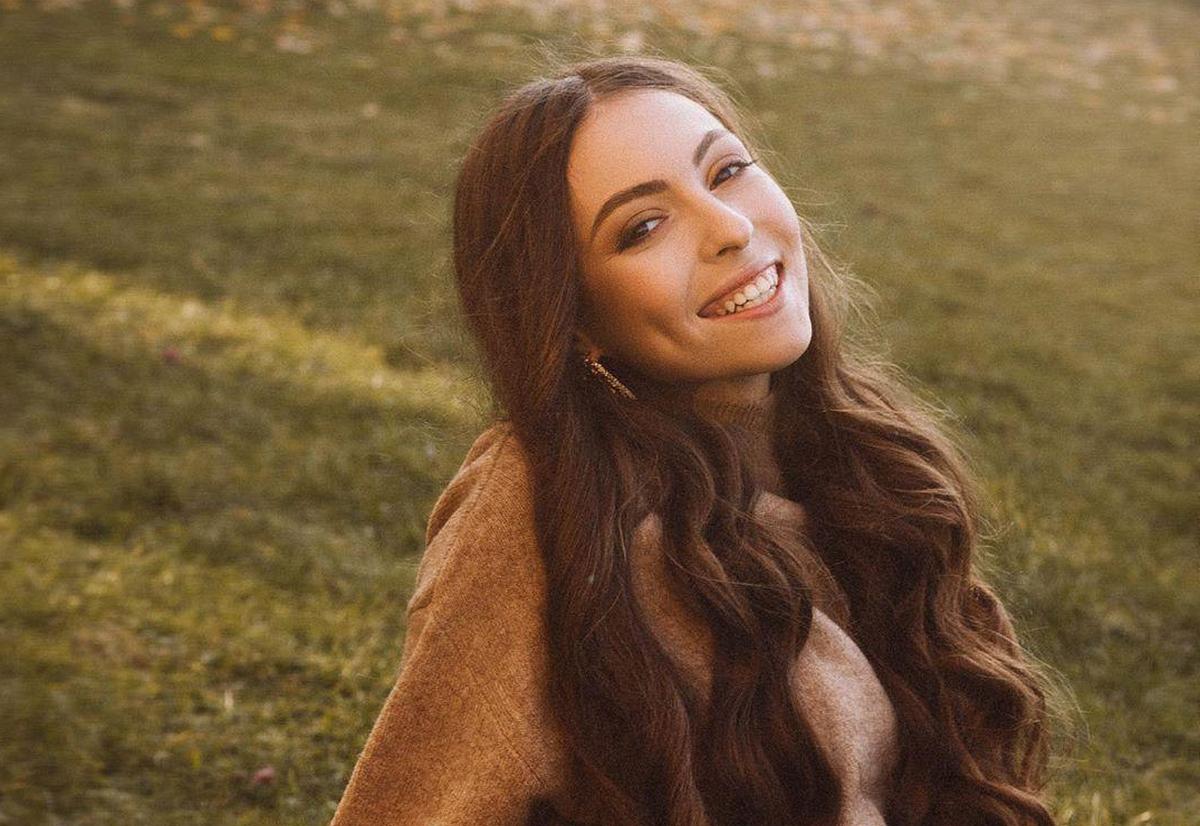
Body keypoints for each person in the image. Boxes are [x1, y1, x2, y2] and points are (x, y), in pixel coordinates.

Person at [330, 54, 1058, 826]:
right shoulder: (540, 506)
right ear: (574, 322)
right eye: (644, 227)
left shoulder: (867, 460)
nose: (730, 229)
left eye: (727, 172)